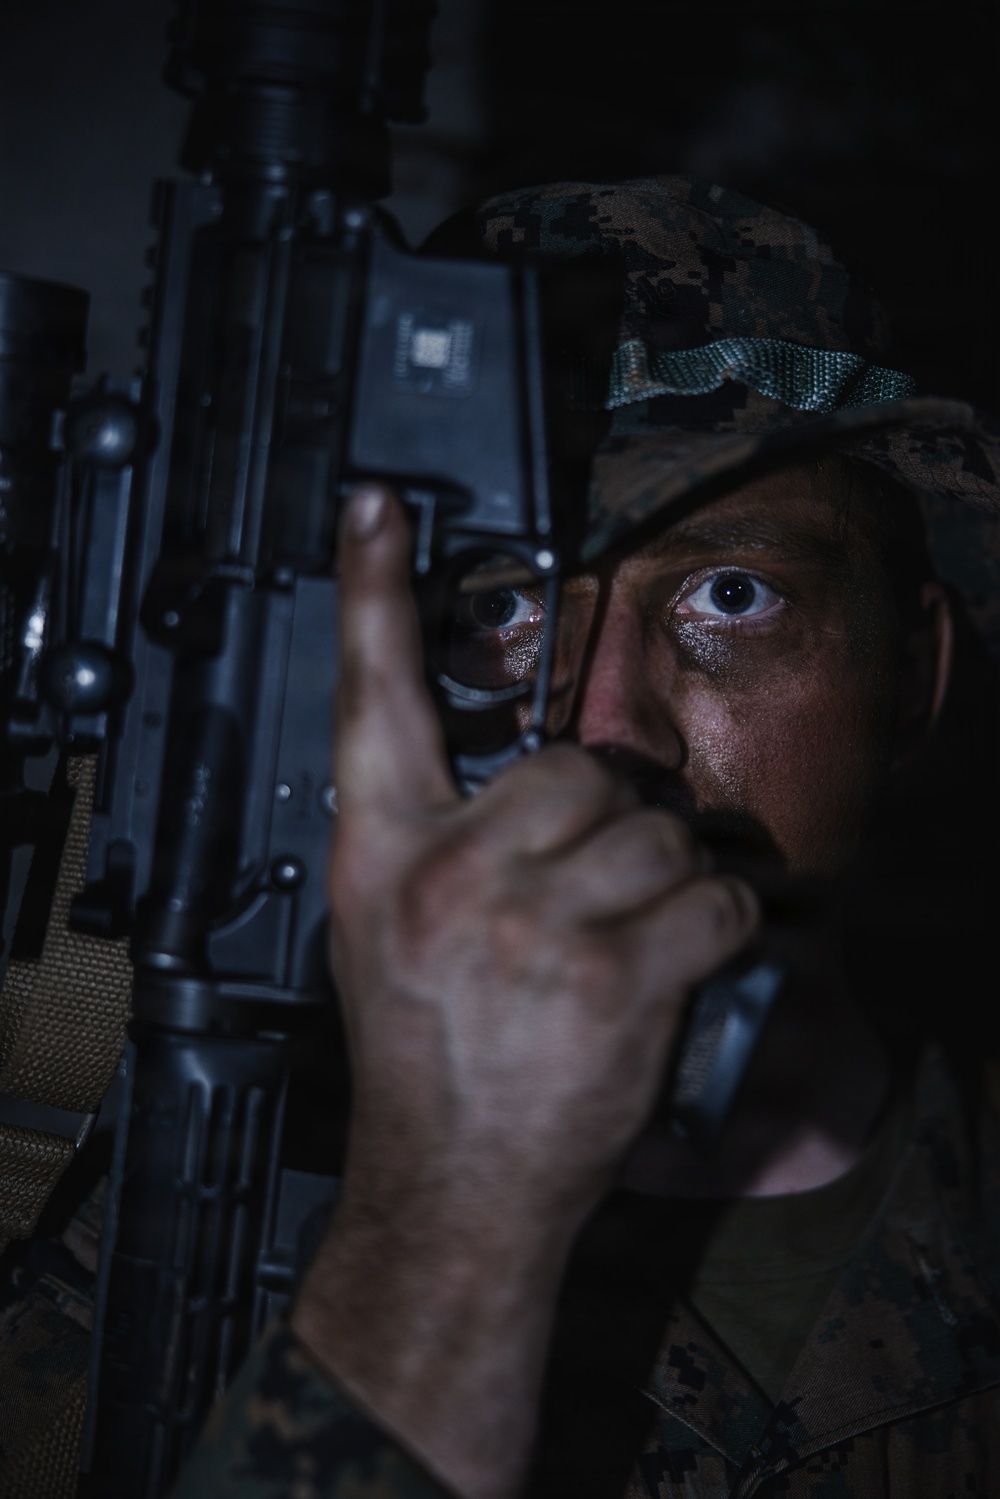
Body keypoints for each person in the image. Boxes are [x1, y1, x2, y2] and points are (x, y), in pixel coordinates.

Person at [21, 177, 1000, 1499]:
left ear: (915, 676)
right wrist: (444, 1240)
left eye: (733, 595)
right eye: (497, 608)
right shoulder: (155, 1250)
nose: (604, 730)